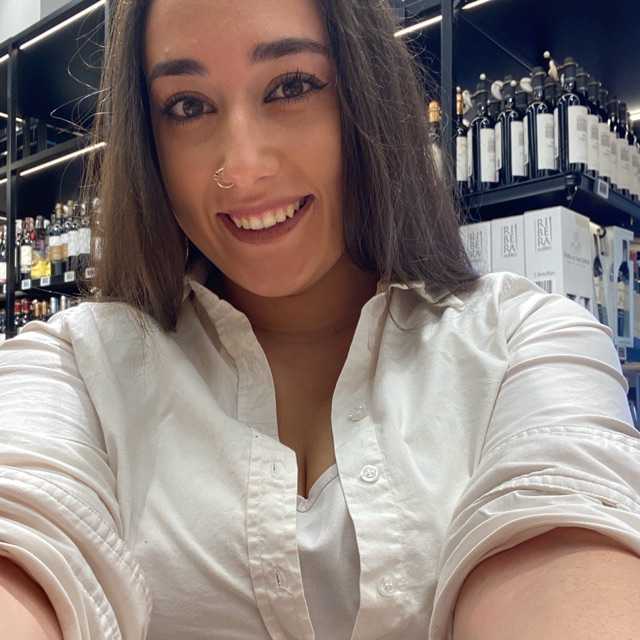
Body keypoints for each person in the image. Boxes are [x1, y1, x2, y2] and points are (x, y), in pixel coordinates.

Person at [1, 1, 640, 639]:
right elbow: (25, 536)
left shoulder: (523, 342)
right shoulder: (75, 368)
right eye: (188, 106)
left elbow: (567, 538)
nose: (242, 168)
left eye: (291, 86)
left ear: (367, 95)